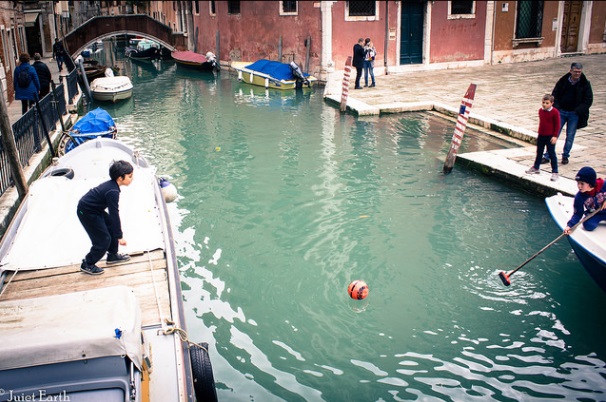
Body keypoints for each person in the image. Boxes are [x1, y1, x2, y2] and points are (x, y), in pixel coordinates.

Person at [77, 160, 134, 275]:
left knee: (110, 227)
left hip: (95, 210)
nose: (132, 179)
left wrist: (117, 232)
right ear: (120, 178)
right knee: (103, 239)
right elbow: (114, 214)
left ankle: (112, 255)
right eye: (130, 176)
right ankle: (87, 264)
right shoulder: (113, 191)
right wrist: (120, 236)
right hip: (86, 211)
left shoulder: (113, 186)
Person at [542, 62, 593, 165]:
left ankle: (565, 156)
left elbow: (588, 100)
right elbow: (555, 94)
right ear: (570, 71)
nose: (577, 74)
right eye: (575, 72)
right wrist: (557, 108)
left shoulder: (585, 84)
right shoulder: (563, 81)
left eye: (579, 72)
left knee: (570, 136)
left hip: (574, 114)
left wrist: (578, 110)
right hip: (562, 112)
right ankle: (547, 155)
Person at [525, 94, 560, 181]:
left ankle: (555, 172)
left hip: (550, 136)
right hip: (541, 135)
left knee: (551, 154)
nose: (544, 104)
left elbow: (557, 125)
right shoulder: (541, 111)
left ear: (552, 103)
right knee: (539, 152)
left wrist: (555, 136)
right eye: (543, 102)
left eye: (547, 103)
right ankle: (536, 167)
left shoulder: (555, 112)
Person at [564, 166, 606, 235]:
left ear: (590, 184)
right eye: (578, 183)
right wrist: (570, 226)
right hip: (595, 213)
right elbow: (577, 214)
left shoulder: (603, 184)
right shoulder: (579, 197)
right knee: (588, 225)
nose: (579, 186)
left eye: (582, 183)